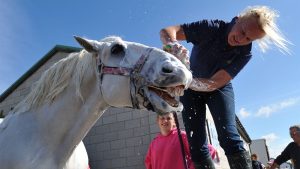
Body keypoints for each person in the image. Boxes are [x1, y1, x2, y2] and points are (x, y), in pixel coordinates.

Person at [159, 5, 290, 169]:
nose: (241, 39)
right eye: (242, 31)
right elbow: (167, 31)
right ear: (237, 19)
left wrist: (186, 80)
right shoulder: (212, 28)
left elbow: (215, 83)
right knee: (196, 143)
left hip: (218, 88)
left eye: (248, 39)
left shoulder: (244, 53)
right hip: (190, 89)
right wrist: (173, 46)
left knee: (228, 136)